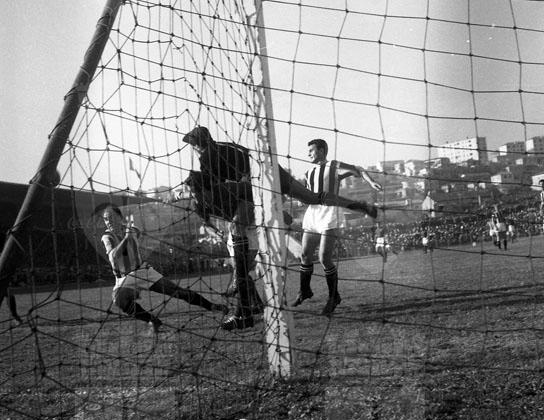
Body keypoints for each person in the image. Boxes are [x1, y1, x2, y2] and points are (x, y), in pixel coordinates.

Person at [182, 126, 379, 331]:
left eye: (192, 144)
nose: (192, 149)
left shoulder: (206, 159)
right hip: (269, 168)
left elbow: (215, 187)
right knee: (313, 198)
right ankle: (359, 206)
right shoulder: (223, 146)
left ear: (196, 145)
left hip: (258, 182)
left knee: (237, 229)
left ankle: (244, 310)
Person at [96, 203, 226, 338]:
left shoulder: (133, 230)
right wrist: (127, 238)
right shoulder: (107, 237)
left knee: (177, 292)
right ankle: (153, 321)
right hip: (124, 278)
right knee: (119, 300)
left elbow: (138, 234)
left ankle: (212, 306)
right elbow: (113, 256)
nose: (109, 221)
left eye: (111, 217)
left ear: (120, 217)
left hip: (143, 271)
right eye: (106, 219)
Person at [292, 138, 383, 316]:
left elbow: (358, 169)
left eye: (311, 150)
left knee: (324, 258)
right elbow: (309, 195)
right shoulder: (308, 172)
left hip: (329, 213)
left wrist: (371, 182)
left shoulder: (333, 166)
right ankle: (305, 291)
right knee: (305, 255)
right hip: (312, 214)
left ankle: (334, 297)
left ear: (321, 150)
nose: (308, 154)